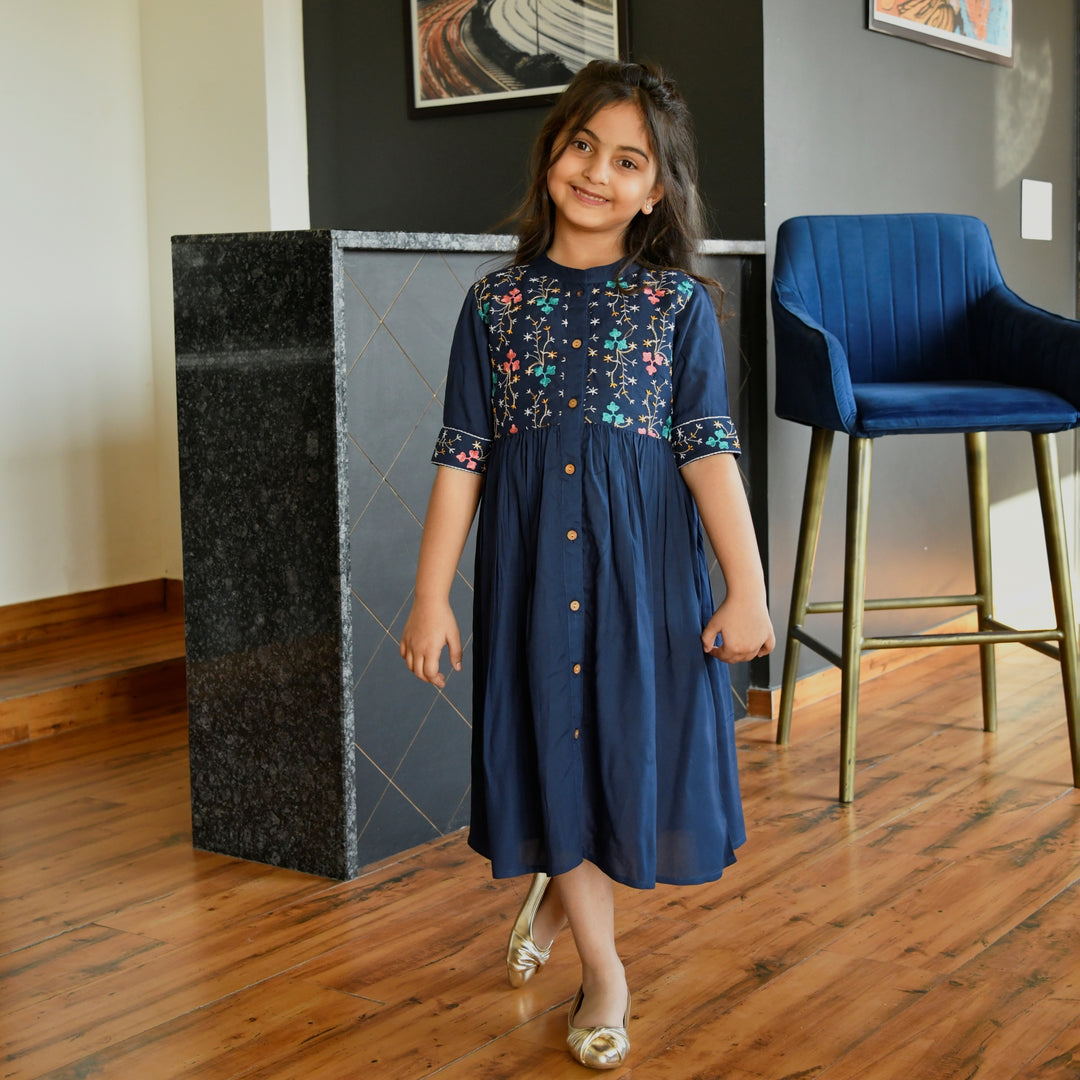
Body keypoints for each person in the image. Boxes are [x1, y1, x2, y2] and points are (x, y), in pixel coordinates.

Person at [400, 58, 774, 1070]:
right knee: (551, 744)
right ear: (550, 153)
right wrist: (431, 595)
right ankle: (605, 971)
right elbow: (460, 459)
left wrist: (748, 586)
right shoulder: (494, 305)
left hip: (645, 576)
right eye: (581, 147)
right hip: (531, 580)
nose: (597, 173)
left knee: (617, 751)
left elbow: (707, 449)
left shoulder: (675, 308)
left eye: (627, 161)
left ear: (655, 190)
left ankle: (558, 896)